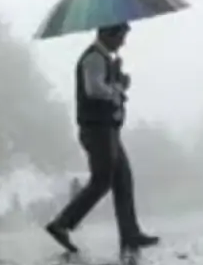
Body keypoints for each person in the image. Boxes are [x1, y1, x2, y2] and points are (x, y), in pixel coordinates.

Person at [45, 23, 159, 253]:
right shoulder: (94, 58)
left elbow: (104, 86)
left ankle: (130, 233)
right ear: (108, 34)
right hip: (97, 129)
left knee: (122, 179)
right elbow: (94, 89)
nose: (123, 42)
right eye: (121, 36)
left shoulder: (104, 58)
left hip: (108, 129)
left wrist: (117, 78)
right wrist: (116, 88)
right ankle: (61, 224)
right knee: (102, 180)